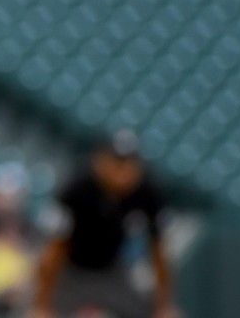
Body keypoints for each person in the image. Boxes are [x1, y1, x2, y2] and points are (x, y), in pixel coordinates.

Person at [32, 130, 177, 318]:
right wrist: (42, 304)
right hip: (70, 273)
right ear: (100, 161)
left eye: (128, 163)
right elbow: (53, 250)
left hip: (113, 272)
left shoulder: (146, 192)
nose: (122, 171)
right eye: (116, 162)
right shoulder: (78, 188)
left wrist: (163, 306)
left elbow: (159, 252)